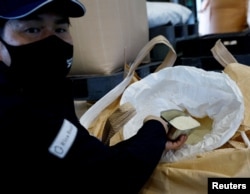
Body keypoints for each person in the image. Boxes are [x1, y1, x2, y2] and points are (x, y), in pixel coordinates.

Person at [0, 0, 187, 193]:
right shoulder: (16, 112)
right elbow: (111, 177)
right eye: (32, 30)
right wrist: (156, 125)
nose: (52, 41)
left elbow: (86, 159)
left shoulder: (42, 90)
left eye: (60, 28)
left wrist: (152, 143)